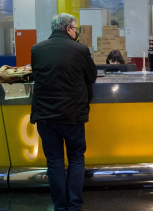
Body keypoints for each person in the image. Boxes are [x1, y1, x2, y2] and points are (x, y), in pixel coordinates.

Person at [30, 13, 98, 211]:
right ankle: (74, 205)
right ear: (68, 29)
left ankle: (60, 206)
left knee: (55, 162)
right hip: (72, 115)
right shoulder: (80, 49)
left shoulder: (37, 49)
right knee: (76, 158)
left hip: (45, 116)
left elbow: (36, 74)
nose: (77, 32)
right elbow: (92, 76)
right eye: (76, 29)